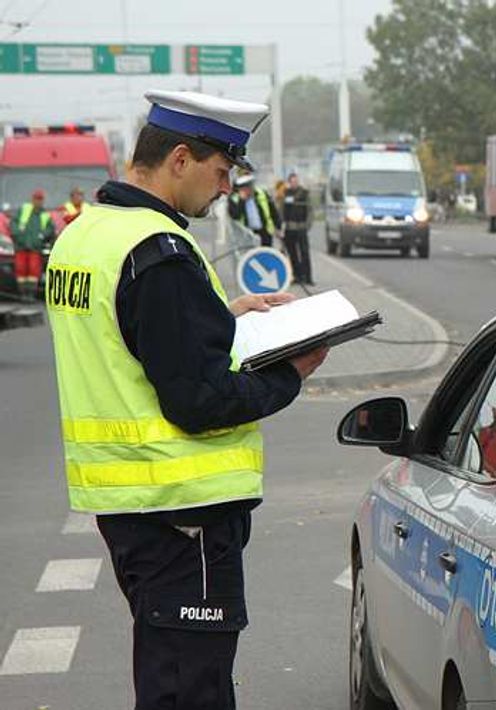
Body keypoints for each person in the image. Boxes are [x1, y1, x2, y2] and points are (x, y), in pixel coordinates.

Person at [43, 89, 328, 710]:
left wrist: (221, 315)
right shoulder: (159, 252)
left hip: (131, 507)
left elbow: (127, 338)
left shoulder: (85, 235)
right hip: (183, 511)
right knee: (188, 691)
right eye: (221, 171)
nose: (226, 188)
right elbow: (199, 400)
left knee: (170, 677)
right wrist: (291, 373)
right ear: (179, 159)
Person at [12, 188, 55, 301]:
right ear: (32, 199)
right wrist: (18, 236)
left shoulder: (45, 215)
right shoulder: (24, 210)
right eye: (36, 198)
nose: (38, 201)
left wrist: (41, 237)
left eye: (40, 199)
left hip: (35, 248)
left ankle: (31, 294)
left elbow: (50, 228)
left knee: (33, 270)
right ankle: (22, 293)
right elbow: (13, 224)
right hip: (21, 247)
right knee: (21, 269)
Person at [227, 173, 280, 247]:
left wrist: (278, 227)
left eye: (250, 186)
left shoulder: (261, 194)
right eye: (245, 188)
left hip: (265, 232)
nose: (249, 190)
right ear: (240, 189)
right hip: (246, 236)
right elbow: (235, 216)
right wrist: (242, 201)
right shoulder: (234, 199)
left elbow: (273, 211)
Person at [281, 172, 314, 285]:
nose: (294, 183)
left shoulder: (304, 193)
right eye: (292, 181)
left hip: (301, 227)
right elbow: (281, 209)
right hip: (290, 228)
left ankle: (308, 277)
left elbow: (310, 211)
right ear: (289, 182)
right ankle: (297, 276)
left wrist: (307, 225)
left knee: (304, 253)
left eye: (296, 181)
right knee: (292, 254)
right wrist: (282, 226)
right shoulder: (285, 193)